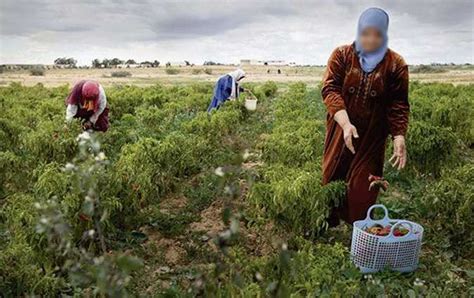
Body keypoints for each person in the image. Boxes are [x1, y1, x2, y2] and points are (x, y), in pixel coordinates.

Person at [321, 7, 409, 225]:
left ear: (385, 34)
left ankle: (359, 230)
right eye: (366, 33)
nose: (371, 39)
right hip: (341, 131)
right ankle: (328, 223)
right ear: (359, 31)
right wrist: (345, 123)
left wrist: (399, 136)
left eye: (377, 34)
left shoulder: (396, 64)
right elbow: (330, 90)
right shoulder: (342, 55)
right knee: (333, 176)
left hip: (372, 137)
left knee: (364, 186)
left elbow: (398, 104)